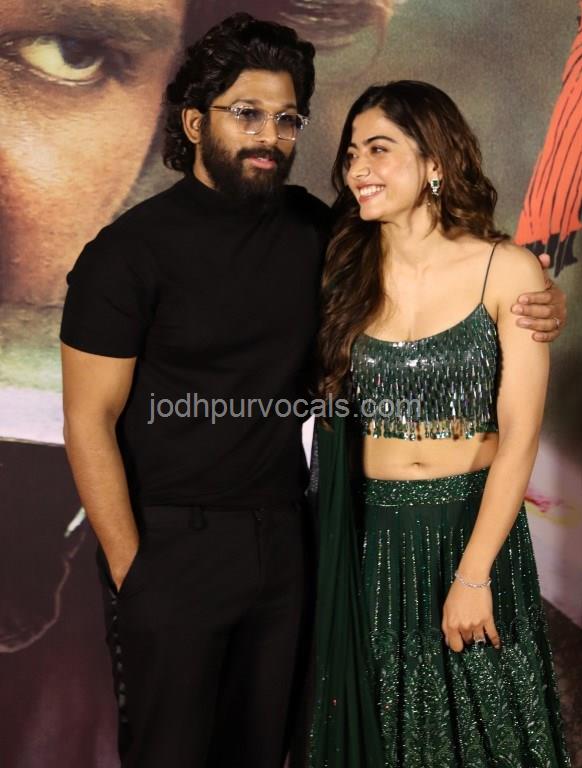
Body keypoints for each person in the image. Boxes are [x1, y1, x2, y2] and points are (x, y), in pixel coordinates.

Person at [60, 13, 326, 768]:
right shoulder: (127, 253)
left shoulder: (315, 229)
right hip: (170, 544)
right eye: (247, 113)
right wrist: (134, 571)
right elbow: (88, 420)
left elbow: (422, 264)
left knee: (263, 753)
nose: (269, 135)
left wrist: (523, 291)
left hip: (284, 541)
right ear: (193, 121)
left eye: (286, 119)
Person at [309, 81, 571, 767]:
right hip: (371, 538)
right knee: (382, 730)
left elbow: (519, 434)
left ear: (434, 162)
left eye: (378, 149)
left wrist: (474, 575)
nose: (357, 168)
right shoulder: (339, 269)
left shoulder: (505, 269)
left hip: (470, 527)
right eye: (351, 153)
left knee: (485, 735)